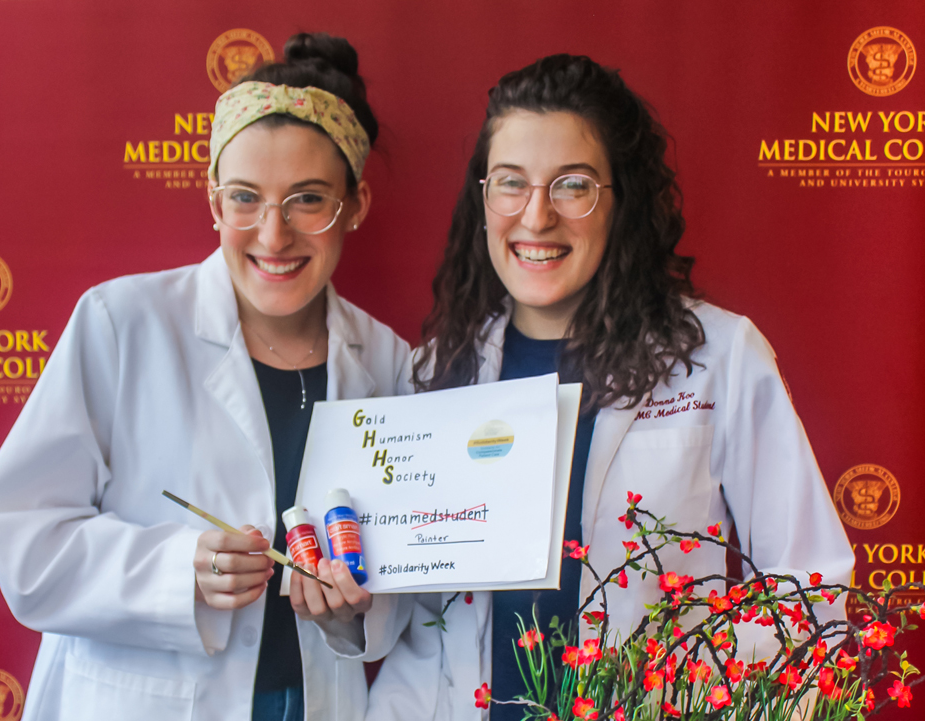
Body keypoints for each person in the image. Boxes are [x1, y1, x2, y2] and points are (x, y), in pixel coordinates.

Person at [365, 54, 855, 721]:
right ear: (483, 198)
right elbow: (421, 625)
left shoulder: (719, 357)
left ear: (619, 198)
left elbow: (811, 586)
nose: (535, 217)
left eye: (572, 185)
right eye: (511, 183)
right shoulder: (435, 373)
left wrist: (670, 688)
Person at [0, 33, 410, 721]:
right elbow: (25, 540)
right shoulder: (122, 324)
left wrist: (351, 613)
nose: (272, 235)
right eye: (245, 198)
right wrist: (181, 571)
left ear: (354, 205)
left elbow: (395, 596)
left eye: (307, 199)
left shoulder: (388, 362)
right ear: (212, 199)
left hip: (315, 702)